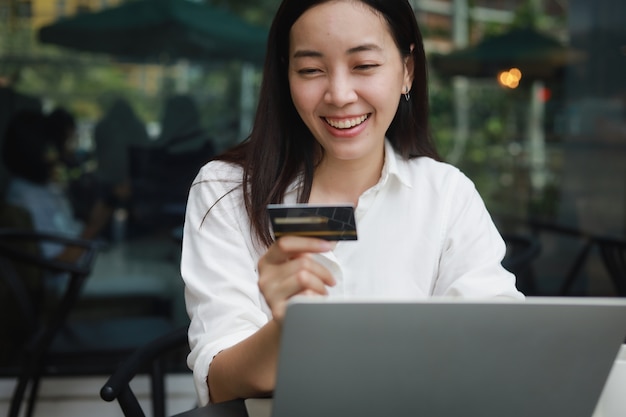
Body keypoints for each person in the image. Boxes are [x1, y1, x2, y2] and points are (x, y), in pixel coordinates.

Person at [181, 0, 524, 406]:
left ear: (407, 71)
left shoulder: (446, 194)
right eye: (311, 70)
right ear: (285, 75)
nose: (340, 95)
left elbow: (501, 344)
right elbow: (219, 382)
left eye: (364, 66)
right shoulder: (227, 189)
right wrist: (288, 330)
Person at [2, 109, 112, 268]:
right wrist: (94, 225)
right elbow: (59, 260)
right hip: (71, 279)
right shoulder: (28, 198)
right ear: (37, 151)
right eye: (53, 147)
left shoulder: (37, 188)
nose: (60, 153)